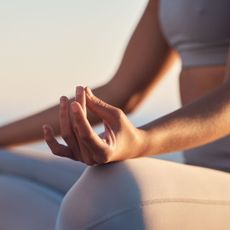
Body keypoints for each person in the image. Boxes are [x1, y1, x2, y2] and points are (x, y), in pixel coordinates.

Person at [0, 0, 230, 229]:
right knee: (3, 166)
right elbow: (121, 91)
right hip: (199, 172)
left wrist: (140, 140)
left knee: (110, 189)